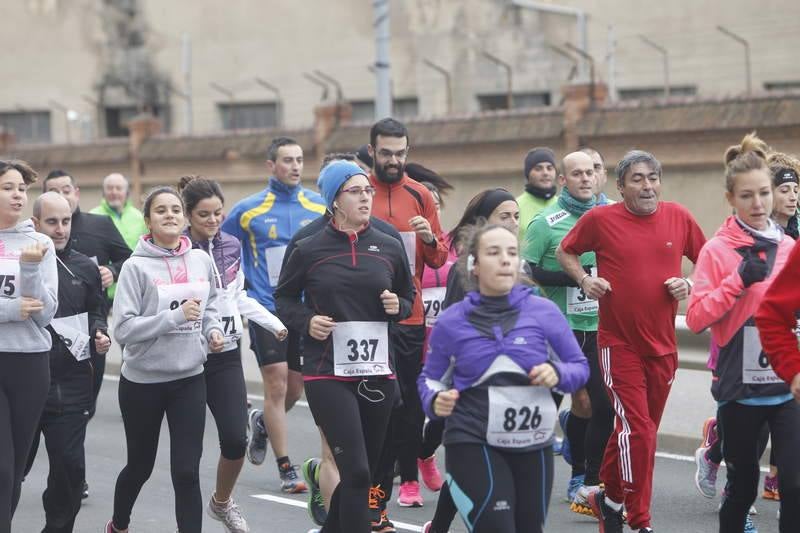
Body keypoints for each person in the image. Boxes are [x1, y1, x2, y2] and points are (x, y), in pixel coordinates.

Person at [557, 149, 706, 533]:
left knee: (638, 433)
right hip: (617, 344)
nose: (647, 186)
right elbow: (565, 250)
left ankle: (606, 498)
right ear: (620, 187)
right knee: (638, 433)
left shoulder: (679, 217)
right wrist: (586, 280)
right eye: (637, 179)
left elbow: (709, 261)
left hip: (663, 346)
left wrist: (688, 283)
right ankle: (638, 520)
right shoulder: (600, 219)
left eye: (653, 177)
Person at [418, 223, 589, 533]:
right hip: (472, 439)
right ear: (474, 266)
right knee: (496, 528)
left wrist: (558, 373)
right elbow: (429, 379)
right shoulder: (453, 322)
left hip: (532, 442)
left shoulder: (545, 313)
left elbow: (579, 367)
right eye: (494, 253)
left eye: (511, 253)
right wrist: (434, 399)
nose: (505, 260)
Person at [275, 160, 415, 533]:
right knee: (354, 469)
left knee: (361, 474)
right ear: (334, 199)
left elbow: (407, 295)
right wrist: (307, 321)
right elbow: (284, 298)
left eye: (367, 190)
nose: (365, 197)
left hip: (377, 371)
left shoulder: (387, 242)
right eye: (355, 191)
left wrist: (396, 307)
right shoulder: (308, 245)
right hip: (326, 371)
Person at [688, 132, 800, 533]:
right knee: (742, 489)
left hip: (787, 384)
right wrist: (736, 280)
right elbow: (698, 317)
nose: (758, 204)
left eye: (764, 194)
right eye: (747, 196)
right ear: (731, 199)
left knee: (794, 483)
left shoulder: (789, 248)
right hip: (740, 388)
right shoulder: (717, 250)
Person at [106, 186, 225, 533]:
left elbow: (212, 305)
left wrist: (212, 331)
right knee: (140, 466)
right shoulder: (135, 267)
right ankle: (119, 524)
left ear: (185, 218)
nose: (170, 215)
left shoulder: (201, 260)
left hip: (189, 378)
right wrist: (175, 317)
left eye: (176, 209)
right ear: (148, 221)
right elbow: (124, 329)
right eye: (161, 211)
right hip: (143, 382)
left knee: (186, 472)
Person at [179, 176, 288, 532]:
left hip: (225, 352)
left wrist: (273, 324)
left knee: (235, 439)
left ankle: (222, 503)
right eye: (204, 215)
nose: (213, 221)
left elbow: (237, 297)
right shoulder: (178, 249)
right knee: (187, 454)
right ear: (188, 216)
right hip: (186, 358)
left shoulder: (230, 245)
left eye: (217, 213)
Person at [222, 137, 326, 494]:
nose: (295, 166)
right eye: (287, 160)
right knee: (277, 383)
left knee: (296, 388)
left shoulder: (319, 205)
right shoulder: (248, 210)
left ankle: (263, 423)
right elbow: (223, 248)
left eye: (299, 159)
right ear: (271, 166)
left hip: (303, 309)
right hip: (266, 308)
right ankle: (286, 469)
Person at [423, 187, 520, 533]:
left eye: (516, 216)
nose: (512, 222)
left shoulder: (516, 265)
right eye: (503, 216)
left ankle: (440, 527)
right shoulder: (467, 269)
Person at [366, 118, 449, 520]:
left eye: (401, 153)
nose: (394, 160)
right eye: (387, 153)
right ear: (372, 152)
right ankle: (369, 497)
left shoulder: (419, 195)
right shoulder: (357, 191)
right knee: (377, 410)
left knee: (407, 410)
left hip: (409, 319)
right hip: (364, 322)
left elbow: (437, 256)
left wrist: (430, 238)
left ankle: (382, 497)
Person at [524, 151, 614, 517]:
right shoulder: (546, 222)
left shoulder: (612, 216)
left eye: (591, 171)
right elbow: (528, 272)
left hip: (603, 326)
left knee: (602, 406)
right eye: (576, 174)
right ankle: (575, 469)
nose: (585, 179)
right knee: (579, 404)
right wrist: (581, 277)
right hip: (560, 328)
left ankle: (587, 480)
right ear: (563, 180)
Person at [27, 192, 109, 533]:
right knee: (9, 473)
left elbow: (97, 311)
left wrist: (100, 333)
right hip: (25, 382)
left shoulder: (86, 267)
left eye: (66, 221)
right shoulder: (21, 262)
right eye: (52, 222)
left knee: (71, 470)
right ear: (35, 224)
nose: (60, 230)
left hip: (73, 382)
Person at [0, 159, 58, 533]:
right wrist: (9, 309)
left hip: (31, 363)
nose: (18, 194)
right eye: (8, 187)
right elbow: (20, 309)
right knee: (1, 466)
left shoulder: (41, 242)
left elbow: (46, 312)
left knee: (16, 467)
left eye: (22, 187)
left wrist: (32, 269)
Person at [42, 170, 132, 407]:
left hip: (89, 327)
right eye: (53, 191)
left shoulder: (100, 224)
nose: (61, 196)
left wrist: (111, 271)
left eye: (66, 190)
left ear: (76, 193)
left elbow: (129, 259)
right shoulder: (36, 236)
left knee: (84, 405)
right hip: (45, 331)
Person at [90, 173, 148, 301]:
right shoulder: (92, 216)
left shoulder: (139, 217)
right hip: (103, 292)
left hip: (133, 290)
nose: (114, 192)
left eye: (118, 188)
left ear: (127, 192)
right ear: (103, 192)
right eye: (109, 188)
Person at [517, 147, 558, 243]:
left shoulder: (564, 205)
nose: (545, 173)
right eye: (538, 168)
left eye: (549, 168)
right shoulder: (515, 207)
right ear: (528, 174)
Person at [767, 153, 799, 240]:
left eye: (796, 191)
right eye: (784, 191)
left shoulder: (797, 236)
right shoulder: (759, 236)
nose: (793, 197)